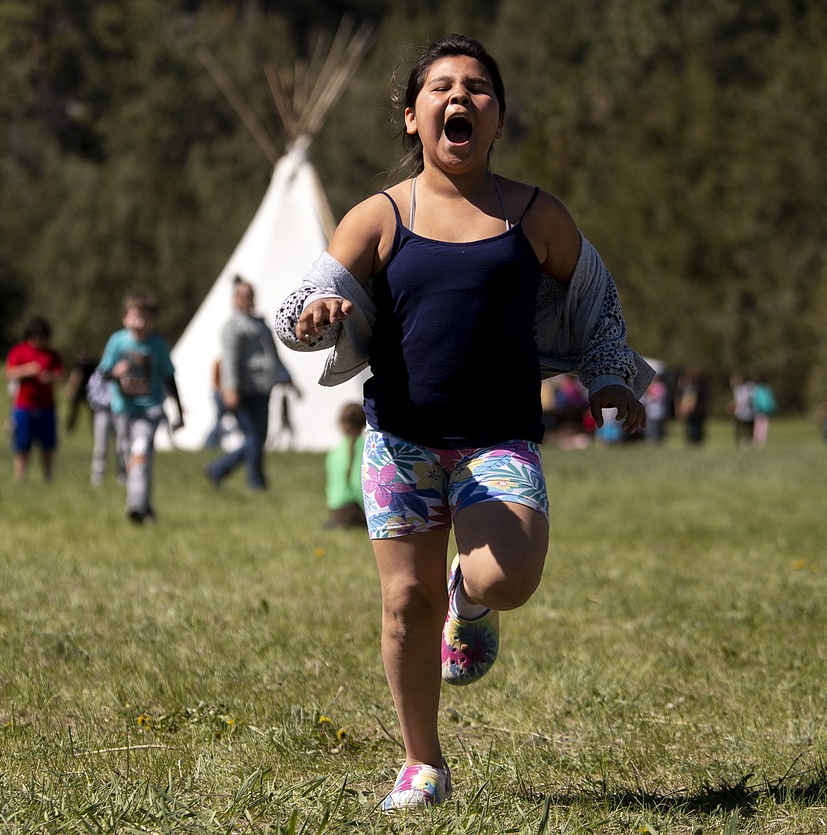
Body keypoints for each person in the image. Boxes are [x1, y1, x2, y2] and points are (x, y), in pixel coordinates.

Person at [273, 34, 651, 811]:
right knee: (405, 605)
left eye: (478, 88)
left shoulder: (534, 214)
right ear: (412, 117)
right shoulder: (380, 216)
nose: (460, 98)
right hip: (400, 441)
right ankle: (422, 761)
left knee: (507, 576)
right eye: (441, 87)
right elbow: (300, 304)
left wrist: (610, 375)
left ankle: (468, 601)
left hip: (499, 440)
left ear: (499, 118)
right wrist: (315, 318)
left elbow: (595, 298)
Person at [98, 291, 184, 523]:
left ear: (153, 321)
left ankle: (135, 504)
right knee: (131, 458)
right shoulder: (117, 341)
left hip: (150, 410)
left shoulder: (158, 345)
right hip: (123, 410)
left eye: (145, 318)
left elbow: (169, 378)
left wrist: (179, 410)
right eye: (136, 317)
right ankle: (145, 506)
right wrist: (114, 373)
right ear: (125, 319)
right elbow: (103, 372)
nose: (140, 323)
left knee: (140, 452)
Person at [204, 277, 295, 490]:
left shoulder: (260, 324)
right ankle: (252, 481)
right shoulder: (233, 327)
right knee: (253, 437)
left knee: (259, 438)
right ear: (235, 299)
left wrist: (287, 378)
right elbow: (231, 360)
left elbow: (273, 356)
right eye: (242, 296)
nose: (247, 299)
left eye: (249, 295)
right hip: (243, 390)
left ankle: (223, 471)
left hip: (262, 388)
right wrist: (230, 388)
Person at [4, 316, 64, 482]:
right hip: (23, 406)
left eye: (43, 337)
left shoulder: (52, 354)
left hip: (47, 406)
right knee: (22, 444)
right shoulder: (19, 350)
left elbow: (60, 375)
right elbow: (8, 372)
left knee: (48, 445)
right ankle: (20, 478)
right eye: (37, 337)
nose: (40, 341)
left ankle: (48, 477)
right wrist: (27, 370)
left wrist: (49, 377)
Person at [325, 402, 368, 529]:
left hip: (335, 510)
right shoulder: (364, 448)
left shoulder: (335, 451)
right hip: (352, 510)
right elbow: (357, 484)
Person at [62, 348, 98, 433]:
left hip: (81, 390)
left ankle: (70, 427)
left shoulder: (80, 365)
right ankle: (94, 427)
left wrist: (71, 389)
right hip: (90, 390)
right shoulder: (93, 363)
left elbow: (76, 376)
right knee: (91, 411)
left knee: (74, 410)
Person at [676, 367, 709, 446]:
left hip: (697, 412)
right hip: (690, 412)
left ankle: (696, 442)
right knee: (689, 429)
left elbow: (698, 401)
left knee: (696, 429)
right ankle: (691, 442)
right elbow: (681, 399)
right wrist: (681, 409)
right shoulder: (687, 388)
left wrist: (692, 408)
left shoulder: (698, 389)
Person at [728, 373, 757, 448]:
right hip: (740, 413)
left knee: (747, 428)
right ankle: (742, 441)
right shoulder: (737, 390)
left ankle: (747, 441)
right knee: (740, 429)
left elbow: (745, 400)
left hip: (747, 413)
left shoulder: (747, 388)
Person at [641, 372, 669, 445]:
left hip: (658, 411)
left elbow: (657, 397)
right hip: (651, 411)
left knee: (656, 427)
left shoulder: (661, 387)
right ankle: (650, 441)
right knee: (650, 427)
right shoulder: (652, 386)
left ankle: (655, 441)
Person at [751, 376, 776, 448]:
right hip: (765, 412)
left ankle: (757, 441)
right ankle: (762, 441)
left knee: (757, 427)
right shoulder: (766, 389)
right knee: (764, 426)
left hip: (757, 411)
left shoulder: (756, 390)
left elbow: (754, 401)